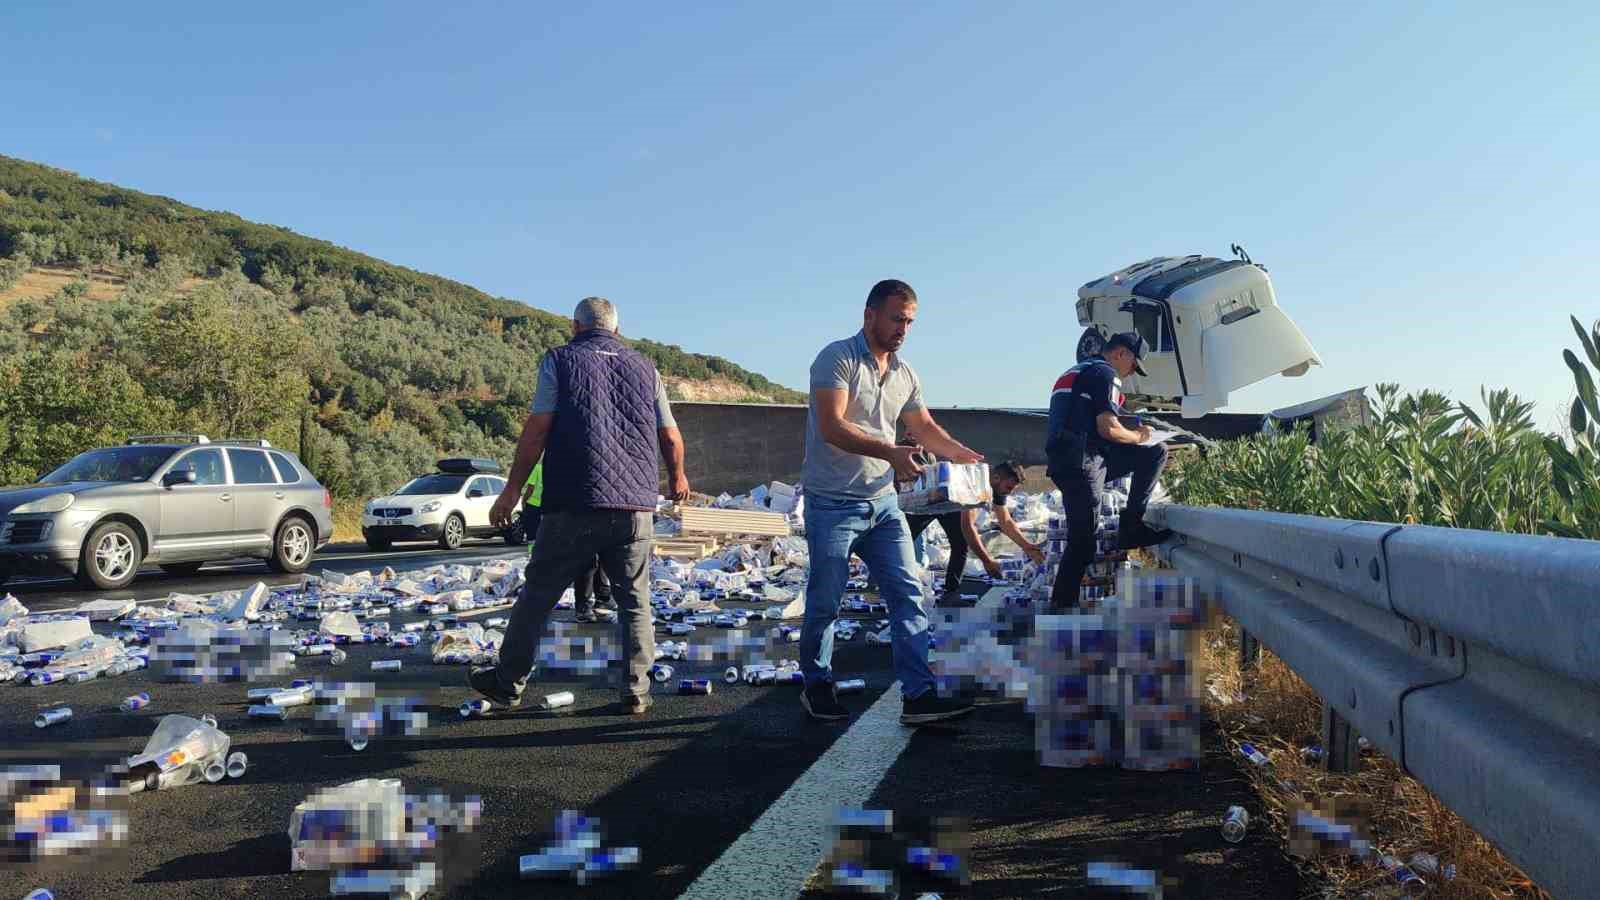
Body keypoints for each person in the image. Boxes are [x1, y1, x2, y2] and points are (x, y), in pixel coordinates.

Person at [473, 297, 691, 716]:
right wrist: (678, 476)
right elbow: (671, 436)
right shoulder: (647, 369)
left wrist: (512, 490)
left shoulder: (559, 361)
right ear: (616, 329)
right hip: (633, 507)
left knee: (538, 595)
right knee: (634, 601)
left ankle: (507, 684)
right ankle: (635, 690)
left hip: (573, 501)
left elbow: (537, 431)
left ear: (575, 326)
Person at [800, 278, 983, 726]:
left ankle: (919, 697)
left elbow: (923, 426)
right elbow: (832, 426)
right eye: (897, 318)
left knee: (909, 595)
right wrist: (889, 452)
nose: (903, 328)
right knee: (826, 601)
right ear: (870, 315)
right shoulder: (836, 358)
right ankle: (817, 685)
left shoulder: (905, 374)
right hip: (831, 505)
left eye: (910, 322)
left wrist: (961, 454)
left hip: (883, 506)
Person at [1044, 331, 1173, 609]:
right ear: (1121, 353)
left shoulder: (1079, 370)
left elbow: (1089, 419)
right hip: (1083, 463)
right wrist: (1139, 436)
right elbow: (1108, 428)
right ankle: (1061, 610)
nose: (1130, 374)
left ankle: (1131, 526)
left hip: (1067, 461)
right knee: (1082, 543)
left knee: (1153, 452)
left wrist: (1136, 434)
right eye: (1133, 365)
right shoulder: (1106, 373)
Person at [904, 460, 1044, 598]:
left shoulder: (997, 487)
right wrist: (987, 561)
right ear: (996, 478)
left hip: (950, 505)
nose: (1008, 493)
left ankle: (951, 592)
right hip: (926, 502)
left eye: (1012, 489)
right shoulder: (975, 483)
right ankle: (895, 584)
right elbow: (968, 526)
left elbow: (1006, 521)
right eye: (1008, 488)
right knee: (902, 542)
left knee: (960, 545)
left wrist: (1027, 546)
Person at [518, 459, 545, 554]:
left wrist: (524, 500)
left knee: (532, 533)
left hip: (533, 504)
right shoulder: (551, 469)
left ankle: (532, 554)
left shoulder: (536, 468)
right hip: (546, 505)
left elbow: (531, 488)